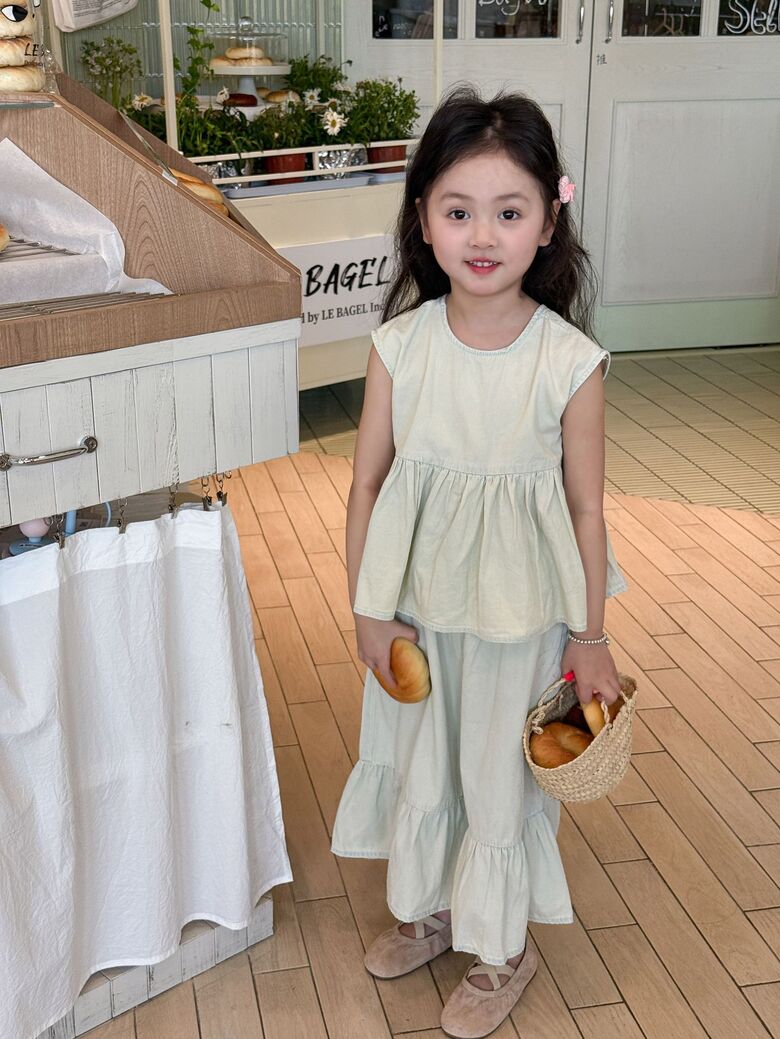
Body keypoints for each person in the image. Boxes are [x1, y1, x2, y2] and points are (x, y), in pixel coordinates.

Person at [330, 85, 629, 1039]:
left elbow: (586, 510)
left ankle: (502, 947)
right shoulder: (399, 346)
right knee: (425, 761)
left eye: (509, 211)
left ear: (549, 221)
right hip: (418, 610)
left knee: (497, 776)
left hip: (519, 618)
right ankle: (436, 908)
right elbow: (366, 485)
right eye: (459, 212)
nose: (484, 235)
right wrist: (367, 609)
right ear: (423, 219)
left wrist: (590, 637)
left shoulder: (569, 362)